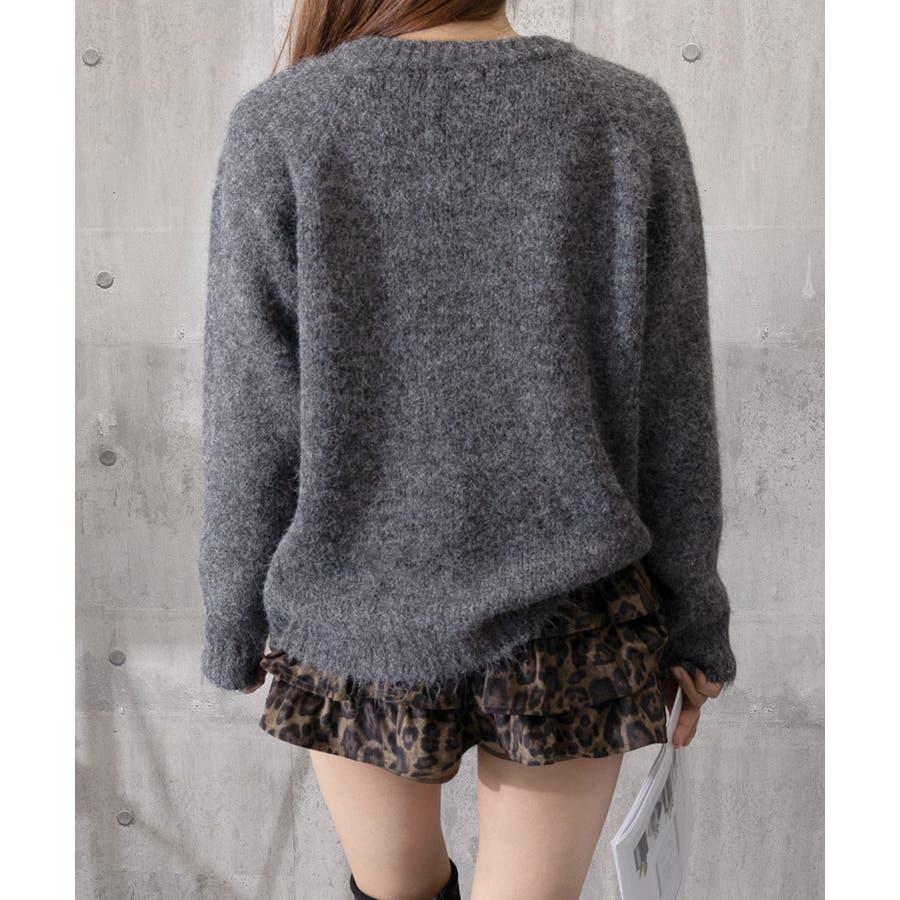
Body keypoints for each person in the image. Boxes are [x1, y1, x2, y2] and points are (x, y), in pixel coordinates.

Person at [197, 2, 738, 898]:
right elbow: (672, 403)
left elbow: (251, 407)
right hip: (572, 619)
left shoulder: (285, 123)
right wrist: (695, 621)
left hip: (356, 610)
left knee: (395, 891)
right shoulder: (627, 117)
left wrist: (233, 618)